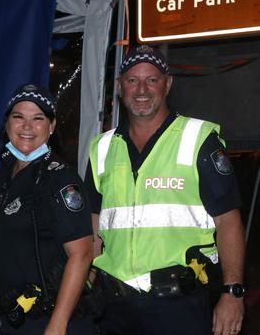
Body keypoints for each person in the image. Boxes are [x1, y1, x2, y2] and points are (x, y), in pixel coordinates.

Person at [85, 45, 246, 335]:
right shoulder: (102, 148)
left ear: (167, 84)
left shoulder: (197, 139)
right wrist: (82, 286)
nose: (142, 89)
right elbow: (95, 226)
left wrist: (232, 292)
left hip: (177, 305)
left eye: (152, 79)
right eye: (132, 80)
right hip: (115, 305)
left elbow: (228, 220)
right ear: (120, 87)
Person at [0, 84, 93, 335]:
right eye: (19, 117)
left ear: (51, 127)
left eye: (38, 118)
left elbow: (81, 255)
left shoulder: (60, 179)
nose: (27, 126)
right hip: (4, 319)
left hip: (43, 320)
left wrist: (57, 325)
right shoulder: (3, 175)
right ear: (7, 124)